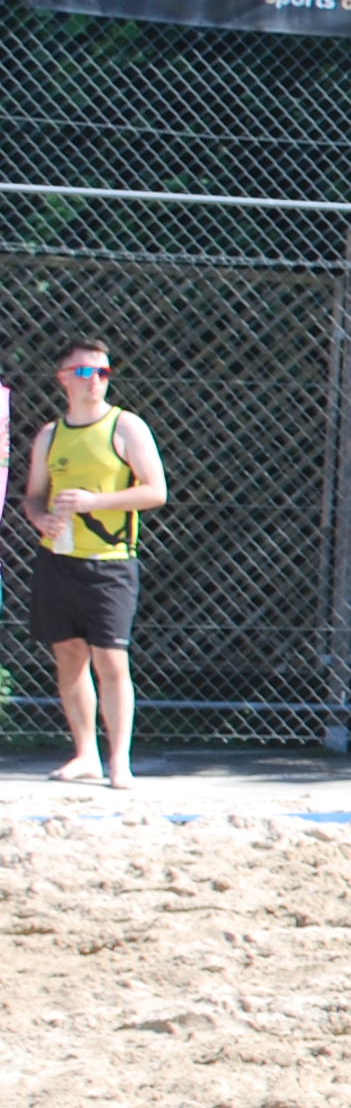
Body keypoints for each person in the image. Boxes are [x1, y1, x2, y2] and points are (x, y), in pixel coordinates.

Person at [23, 334, 163, 789]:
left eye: (102, 371)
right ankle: (86, 754)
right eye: (84, 371)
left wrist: (93, 502)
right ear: (63, 378)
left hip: (111, 563)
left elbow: (155, 491)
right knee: (68, 656)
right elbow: (34, 496)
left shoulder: (126, 426)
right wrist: (42, 519)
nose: (95, 380)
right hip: (58, 560)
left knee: (111, 660)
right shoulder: (50, 435)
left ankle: (120, 760)